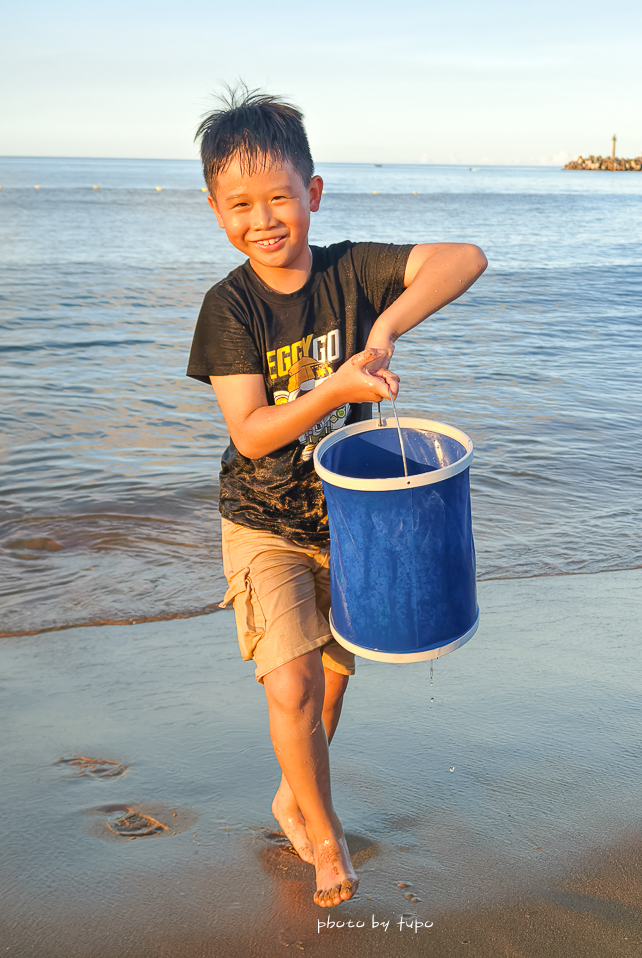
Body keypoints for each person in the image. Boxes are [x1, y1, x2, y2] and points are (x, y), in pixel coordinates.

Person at [187, 86, 486, 907]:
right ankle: (324, 836)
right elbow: (252, 431)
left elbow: (463, 258)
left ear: (312, 194)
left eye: (279, 197)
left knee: (331, 682)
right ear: (216, 209)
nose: (264, 219)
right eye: (241, 204)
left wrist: (384, 329)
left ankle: (295, 794)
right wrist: (337, 384)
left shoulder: (352, 270)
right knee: (291, 686)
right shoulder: (230, 307)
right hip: (262, 522)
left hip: (348, 522)